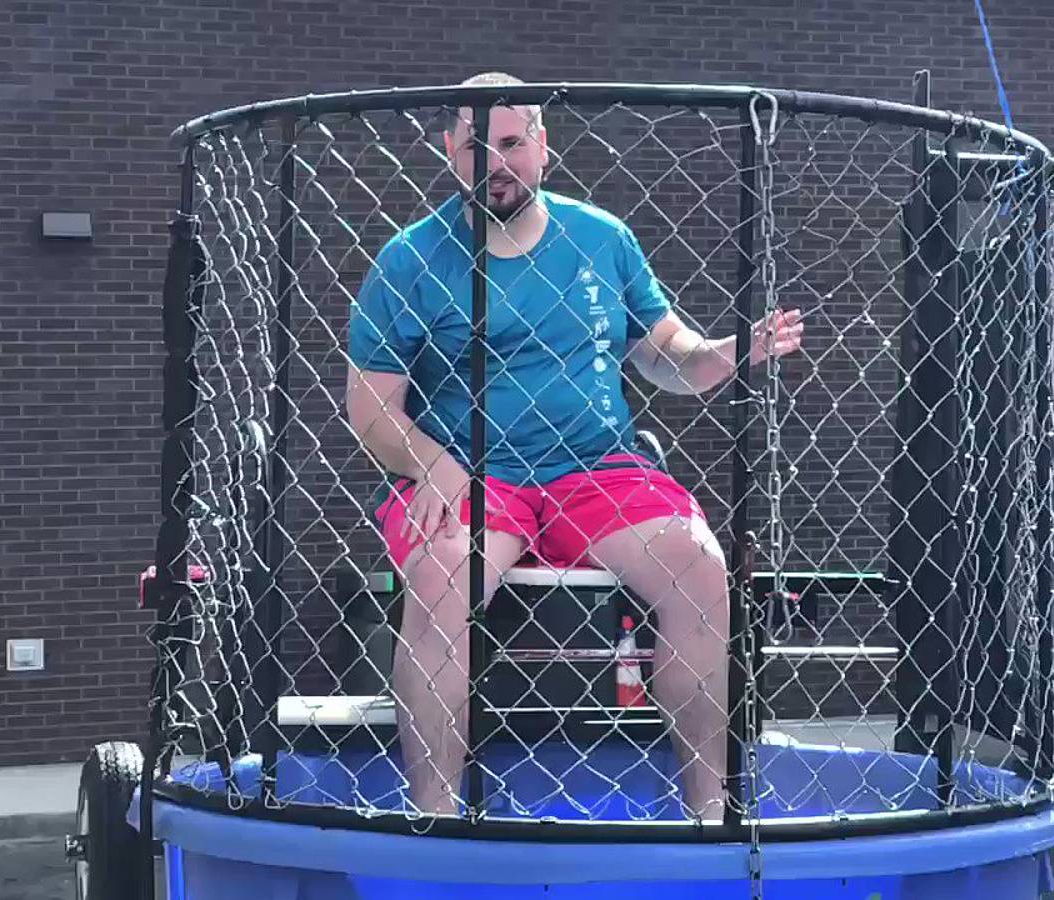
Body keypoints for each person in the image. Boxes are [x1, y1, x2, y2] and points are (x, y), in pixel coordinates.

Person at [343, 72, 805, 822]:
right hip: (473, 471)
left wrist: (729, 352)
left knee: (700, 565)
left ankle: (709, 814)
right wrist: (432, 463)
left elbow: (666, 355)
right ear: (450, 151)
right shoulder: (411, 260)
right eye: (476, 145)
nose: (495, 161)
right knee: (441, 575)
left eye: (512, 142)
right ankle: (434, 820)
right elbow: (369, 409)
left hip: (595, 467)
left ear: (543, 146)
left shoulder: (601, 238)